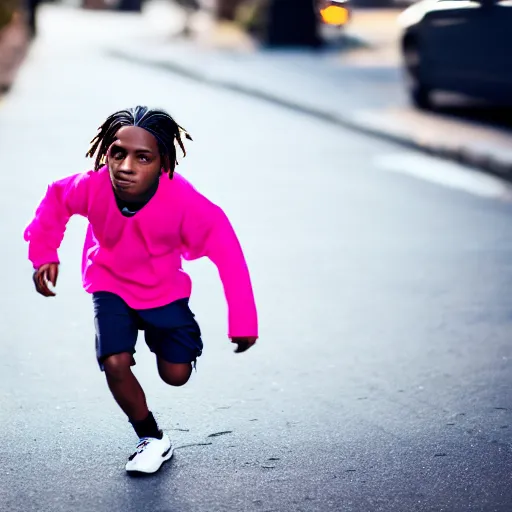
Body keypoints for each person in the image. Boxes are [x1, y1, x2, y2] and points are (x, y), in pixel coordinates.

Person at [23, 106, 258, 474]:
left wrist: (243, 320)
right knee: (114, 362)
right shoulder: (92, 186)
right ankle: (150, 437)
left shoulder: (186, 203)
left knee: (175, 375)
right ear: (106, 154)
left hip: (164, 290)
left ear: (162, 162)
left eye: (142, 157)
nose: (126, 166)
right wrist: (43, 253)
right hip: (109, 282)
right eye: (118, 153)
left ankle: (175, 342)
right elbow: (56, 200)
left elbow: (228, 254)